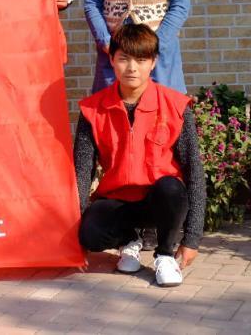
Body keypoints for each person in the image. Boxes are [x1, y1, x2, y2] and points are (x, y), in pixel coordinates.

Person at [73, 24, 205, 287]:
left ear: (153, 63)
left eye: (141, 60)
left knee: (171, 188)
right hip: (118, 202)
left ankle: (164, 254)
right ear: (112, 60)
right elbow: (81, 173)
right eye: (124, 58)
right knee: (89, 231)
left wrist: (192, 239)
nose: (132, 68)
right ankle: (128, 241)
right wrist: (73, 237)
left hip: (161, 201)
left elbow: (195, 174)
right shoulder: (92, 110)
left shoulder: (175, 106)